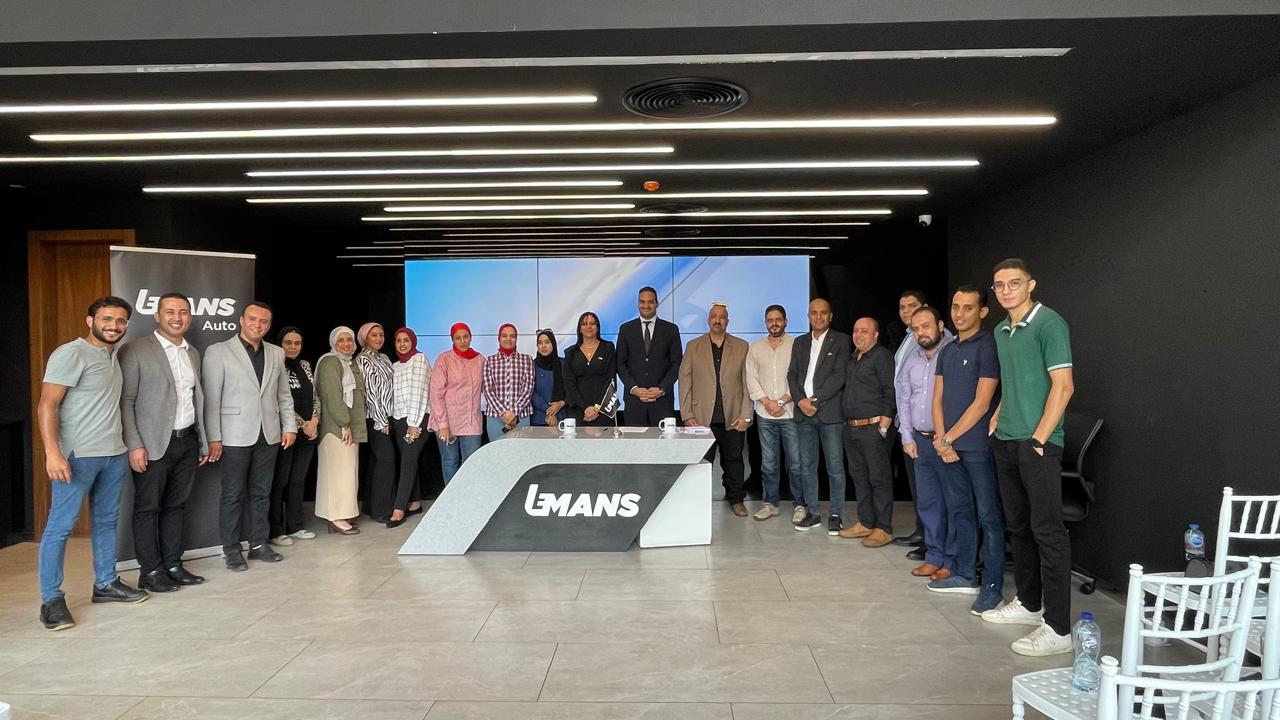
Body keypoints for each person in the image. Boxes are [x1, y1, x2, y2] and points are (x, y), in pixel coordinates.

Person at [980, 258, 1075, 658]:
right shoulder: (1001, 330)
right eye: (999, 285)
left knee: (1047, 532)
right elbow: (1014, 380)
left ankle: (1058, 628)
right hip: (1006, 439)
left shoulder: (1050, 324)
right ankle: (1030, 603)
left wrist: (1039, 438)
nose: (1006, 291)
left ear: (1030, 285)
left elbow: (1064, 386)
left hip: (1038, 444)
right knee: (1018, 528)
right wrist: (999, 415)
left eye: (1013, 284)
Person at [37, 296, 148, 631]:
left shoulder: (113, 355)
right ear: (90, 321)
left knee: (106, 521)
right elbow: (47, 405)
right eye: (106, 319)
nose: (113, 326)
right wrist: (52, 453)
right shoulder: (71, 353)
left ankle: (106, 583)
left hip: (113, 453)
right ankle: (51, 600)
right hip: (77, 456)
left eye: (120, 320)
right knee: (60, 526)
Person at [119, 292, 209, 593]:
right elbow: (126, 401)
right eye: (170, 311)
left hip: (186, 440)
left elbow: (196, 400)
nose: (176, 317)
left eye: (183, 312)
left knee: (176, 506)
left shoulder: (192, 352)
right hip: (152, 444)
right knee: (148, 508)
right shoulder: (134, 350)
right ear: (157, 316)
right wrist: (134, 444)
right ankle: (150, 571)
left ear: (189, 317)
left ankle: (172, 564)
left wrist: (201, 441)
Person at [203, 300, 297, 571]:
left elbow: (283, 394)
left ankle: (258, 544)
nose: (258, 325)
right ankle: (232, 550)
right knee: (232, 495)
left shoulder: (276, 353)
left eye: (264, 321)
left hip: (268, 434)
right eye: (253, 319)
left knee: (262, 493)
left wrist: (289, 426)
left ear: (269, 325)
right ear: (242, 320)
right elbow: (211, 398)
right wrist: (213, 437)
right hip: (233, 435)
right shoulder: (218, 351)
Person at [930, 284, 1005, 614]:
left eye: (968, 307)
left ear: (983, 312)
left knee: (989, 516)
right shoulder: (947, 350)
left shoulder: (988, 347)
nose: (959, 313)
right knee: (961, 511)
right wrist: (941, 438)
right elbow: (937, 398)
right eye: (955, 306)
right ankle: (964, 574)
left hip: (976, 447)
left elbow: (982, 403)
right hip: (948, 447)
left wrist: (948, 439)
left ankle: (992, 587)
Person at [895, 306, 953, 579]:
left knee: (953, 504)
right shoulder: (913, 361)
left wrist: (947, 437)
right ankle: (933, 556)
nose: (921, 333)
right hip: (921, 441)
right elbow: (904, 400)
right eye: (916, 329)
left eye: (926, 326)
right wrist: (907, 436)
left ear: (940, 325)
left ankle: (952, 561)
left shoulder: (952, 354)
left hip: (948, 442)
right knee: (928, 504)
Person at [679, 302, 753, 517]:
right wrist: (686, 414)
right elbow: (684, 381)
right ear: (708, 320)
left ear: (727, 321)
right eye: (714, 316)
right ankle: (697, 501)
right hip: (701, 418)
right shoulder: (693, 346)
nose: (717, 320)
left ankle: (736, 499)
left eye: (722, 317)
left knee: (734, 461)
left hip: (733, 416)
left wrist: (746, 415)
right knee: (701, 463)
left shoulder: (741, 346)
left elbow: (747, 383)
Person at [786, 298, 849, 533]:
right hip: (803, 414)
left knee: (835, 466)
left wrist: (815, 400)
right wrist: (800, 401)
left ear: (830, 316)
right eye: (814, 313)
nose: (819, 317)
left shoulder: (841, 340)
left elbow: (839, 376)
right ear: (808, 316)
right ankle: (812, 513)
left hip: (829, 413)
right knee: (807, 466)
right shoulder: (800, 342)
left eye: (823, 313)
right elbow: (792, 375)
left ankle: (836, 514)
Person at [837, 317, 896, 547]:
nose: (858, 335)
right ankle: (866, 522)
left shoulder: (882, 357)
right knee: (860, 478)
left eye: (864, 331)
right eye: (855, 330)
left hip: (873, 429)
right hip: (852, 428)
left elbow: (890, 391)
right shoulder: (854, 358)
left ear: (876, 335)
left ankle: (884, 528)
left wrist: (884, 426)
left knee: (878, 478)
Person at [744, 304, 800, 521]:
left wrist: (781, 401)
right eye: (770, 320)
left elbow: (800, 377)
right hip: (765, 415)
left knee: (795, 464)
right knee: (769, 464)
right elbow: (751, 378)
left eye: (778, 319)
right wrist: (768, 403)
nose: (774, 323)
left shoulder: (796, 345)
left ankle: (800, 505)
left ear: (785, 321)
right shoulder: (755, 347)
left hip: (790, 413)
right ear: (765, 323)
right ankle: (770, 503)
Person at [269, 326, 319, 547]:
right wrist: (301, 424)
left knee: (298, 481)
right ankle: (275, 530)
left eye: (297, 343)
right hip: (285, 432)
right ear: (280, 344)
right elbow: (278, 400)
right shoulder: (274, 365)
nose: (292, 347)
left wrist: (314, 420)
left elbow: (315, 396)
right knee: (280, 481)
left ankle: (295, 526)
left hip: (308, 433)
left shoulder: (305, 365)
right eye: (288, 342)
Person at [314, 326, 367, 535]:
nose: (346, 344)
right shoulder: (330, 362)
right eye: (341, 340)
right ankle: (335, 517)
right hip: (336, 429)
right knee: (337, 473)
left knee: (346, 473)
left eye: (349, 340)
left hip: (347, 427)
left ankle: (342, 514)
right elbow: (332, 397)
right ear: (333, 343)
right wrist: (344, 423)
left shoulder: (347, 363)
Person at [891, 290, 928, 553]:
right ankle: (922, 531)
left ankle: (930, 539)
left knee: (926, 486)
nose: (906, 311)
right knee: (916, 485)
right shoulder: (908, 337)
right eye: (902, 306)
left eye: (911, 306)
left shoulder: (933, 338)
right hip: (907, 423)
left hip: (922, 424)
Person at [615, 286, 682, 426]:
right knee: (635, 439)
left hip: (662, 402)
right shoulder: (626, 329)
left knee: (664, 440)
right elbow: (620, 364)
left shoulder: (671, 329)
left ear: (657, 303)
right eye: (642, 302)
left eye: (650, 302)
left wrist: (661, 389)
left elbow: (677, 364)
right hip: (634, 402)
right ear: (637, 304)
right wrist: (634, 388)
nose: (646, 305)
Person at [428, 323, 485, 484]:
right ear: (452, 339)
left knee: (471, 463)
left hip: (471, 421)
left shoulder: (480, 360)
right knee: (450, 462)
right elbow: (436, 393)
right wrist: (443, 425)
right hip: (447, 421)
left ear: (471, 338)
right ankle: (451, 498)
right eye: (458, 338)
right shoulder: (444, 359)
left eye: (465, 337)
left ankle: (468, 496)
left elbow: (487, 387)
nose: (462, 341)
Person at [388, 327, 430, 528]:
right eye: (399, 340)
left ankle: (399, 509)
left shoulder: (419, 360)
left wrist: (413, 423)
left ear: (413, 341)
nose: (402, 344)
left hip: (418, 418)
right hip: (399, 419)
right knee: (408, 460)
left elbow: (418, 392)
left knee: (408, 462)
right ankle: (415, 503)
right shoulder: (395, 365)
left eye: (406, 340)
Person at [355, 322, 396, 523]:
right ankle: (381, 510)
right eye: (374, 335)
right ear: (365, 338)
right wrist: (381, 421)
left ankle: (370, 505)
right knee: (386, 460)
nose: (379, 338)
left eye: (381, 334)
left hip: (388, 416)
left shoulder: (384, 358)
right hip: (374, 418)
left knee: (376, 461)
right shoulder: (362, 360)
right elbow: (370, 393)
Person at [563, 311, 617, 427]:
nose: (588, 327)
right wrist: (585, 407)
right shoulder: (570, 352)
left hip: (603, 410)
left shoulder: (608, 348)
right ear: (579, 328)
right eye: (584, 324)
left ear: (597, 327)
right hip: (578, 410)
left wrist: (597, 407)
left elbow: (611, 379)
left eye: (592, 323)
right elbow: (569, 384)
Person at [482, 323, 535, 439]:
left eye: (512, 336)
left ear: (516, 338)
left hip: (521, 417)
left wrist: (514, 412)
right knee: (497, 450)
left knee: (521, 450)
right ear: (499, 338)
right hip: (496, 418)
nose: (508, 339)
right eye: (504, 336)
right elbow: (488, 390)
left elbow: (528, 388)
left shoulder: (527, 360)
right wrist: (503, 413)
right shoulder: (489, 361)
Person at [530, 329, 567, 427]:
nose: (543, 346)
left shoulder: (563, 364)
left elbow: (571, 389)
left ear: (553, 344)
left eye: (547, 342)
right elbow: (531, 392)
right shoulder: (532, 365)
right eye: (540, 343)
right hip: (539, 419)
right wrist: (549, 410)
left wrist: (561, 403)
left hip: (562, 419)